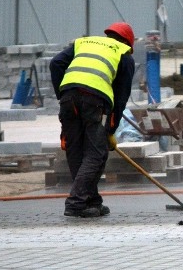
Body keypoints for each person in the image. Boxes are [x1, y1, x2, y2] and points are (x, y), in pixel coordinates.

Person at [50, 22, 136, 218]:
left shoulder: (83, 42)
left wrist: (62, 94)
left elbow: (55, 64)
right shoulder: (124, 54)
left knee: (75, 149)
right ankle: (76, 202)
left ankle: (91, 201)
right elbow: (121, 97)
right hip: (95, 102)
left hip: (69, 99)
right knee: (97, 155)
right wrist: (111, 128)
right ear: (128, 43)